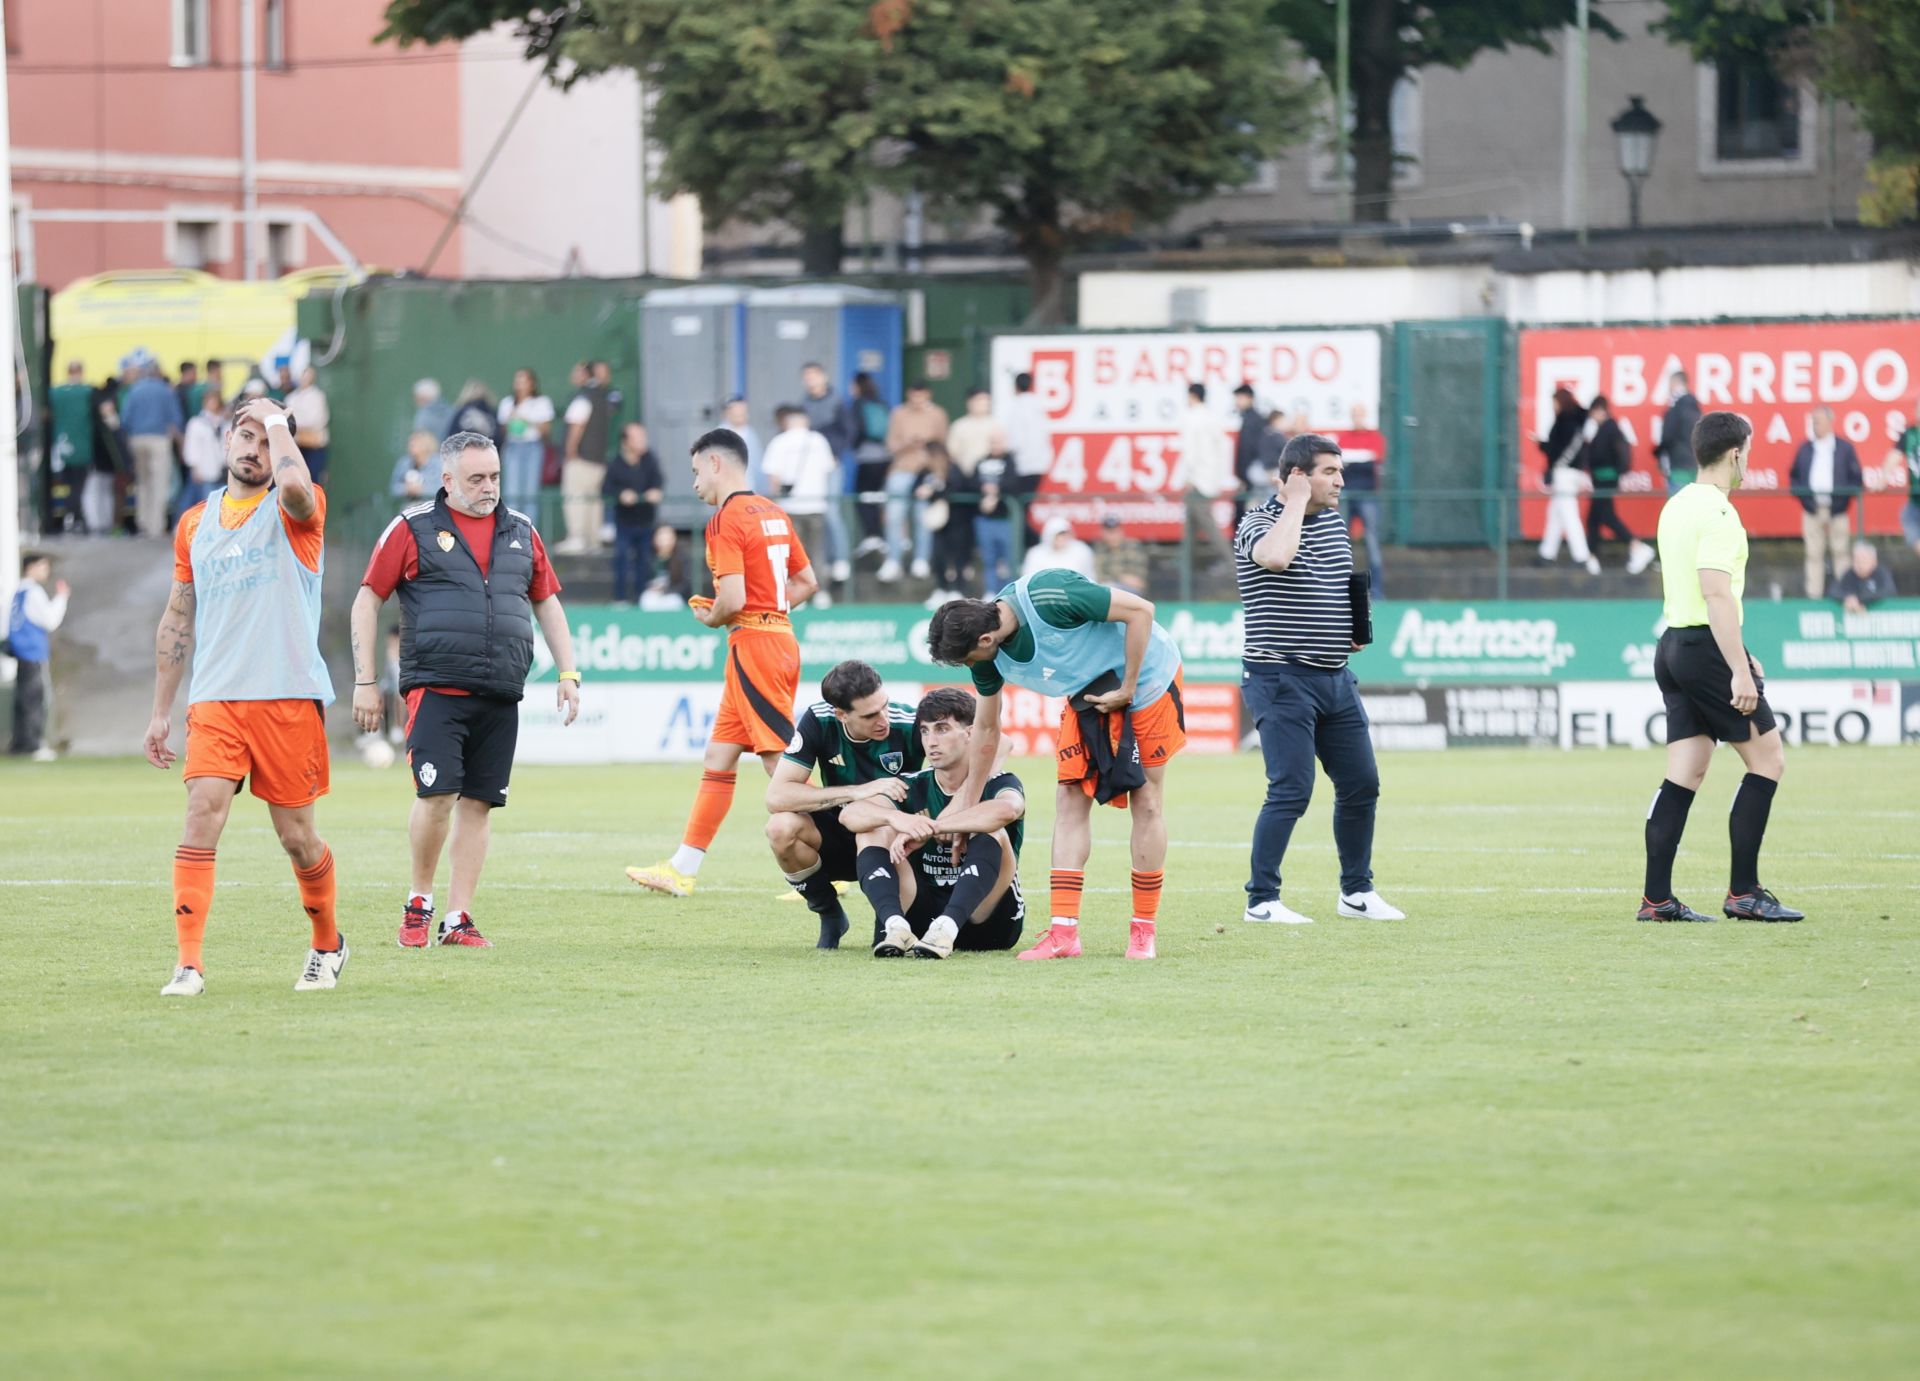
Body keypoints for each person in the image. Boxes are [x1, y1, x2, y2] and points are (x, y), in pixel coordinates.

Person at [142, 398, 343, 997]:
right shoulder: (193, 524)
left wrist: (280, 423)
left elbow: (296, 488)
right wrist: (160, 712)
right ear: (227, 441)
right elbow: (178, 618)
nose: (254, 449)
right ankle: (188, 965)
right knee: (201, 814)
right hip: (216, 699)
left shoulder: (298, 506)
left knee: (297, 838)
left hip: (287, 695)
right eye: (246, 436)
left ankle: (327, 943)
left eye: (267, 440)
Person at [351, 432, 582, 949]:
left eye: (495, 476)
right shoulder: (411, 527)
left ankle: (458, 918)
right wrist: (365, 681)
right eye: (476, 479)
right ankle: (419, 901)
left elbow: (546, 601)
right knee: (437, 797)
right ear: (448, 480)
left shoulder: (521, 530)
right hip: (437, 688)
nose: (489, 488)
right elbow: (367, 599)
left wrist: (568, 672)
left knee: (478, 804)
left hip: (500, 690)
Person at [926, 568, 1186, 961]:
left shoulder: (1050, 595)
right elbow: (987, 730)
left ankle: (1143, 932)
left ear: (985, 639)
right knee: (1069, 799)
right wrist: (966, 813)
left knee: (1146, 800)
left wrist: (1128, 688)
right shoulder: (987, 655)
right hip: (1088, 693)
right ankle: (1064, 935)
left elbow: (1141, 611)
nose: (969, 666)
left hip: (1147, 681)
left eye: (966, 660)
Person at [626, 429, 821, 901]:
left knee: (780, 759)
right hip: (772, 640)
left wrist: (712, 616)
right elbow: (807, 582)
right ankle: (682, 868)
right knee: (720, 755)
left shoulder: (724, 520)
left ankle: (835, 862)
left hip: (755, 646)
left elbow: (731, 599)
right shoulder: (774, 512)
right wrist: (769, 611)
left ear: (716, 464)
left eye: (696, 472)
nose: (694, 483)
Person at [1639, 411, 1802, 925]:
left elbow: (1696, 595)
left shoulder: (1676, 505)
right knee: (1768, 761)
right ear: (1735, 454)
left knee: (1685, 772)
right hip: (1705, 650)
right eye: (1748, 452)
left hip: (1674, 645)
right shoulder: (1720, 514)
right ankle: (1744, 893)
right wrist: (1738, 669)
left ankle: (1657, 900)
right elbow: (1714, 592)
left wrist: (1740, 653)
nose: (1748, 460)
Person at [1234, 433, 1403, 927]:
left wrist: (1350, 628)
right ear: (1298, 477)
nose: (1340, 481)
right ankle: (1261, 900)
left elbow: (1336, 583)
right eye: (1329, 472)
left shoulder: (1332, 523)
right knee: (1291, 788)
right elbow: (1276, 558)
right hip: (1279, 676)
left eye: (1340, 471)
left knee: (1362, 784)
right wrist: (1295, 502)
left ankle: (1357, 892)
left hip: (1334, 677)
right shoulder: (1257, 522)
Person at [840, 687, 1027, 959]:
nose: (931, 741)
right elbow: (850, 814)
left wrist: (934, 827)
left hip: (985, 921)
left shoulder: (999, 781)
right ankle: (895, 926)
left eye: (942, 729)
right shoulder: (913, 784)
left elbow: (1007, 810)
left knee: (991, 829)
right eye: (925, 731)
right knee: (872, 829)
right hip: (923, 912)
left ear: (971, 734)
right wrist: (898, 819)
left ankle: (947, 927)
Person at [761, 660, 925, 948]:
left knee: (875, 825)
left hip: (898, 843)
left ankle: (889, 923)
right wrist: (857, 792)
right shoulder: (820, 720)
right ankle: (830, 914)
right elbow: (776, 797)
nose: (883, 719)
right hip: (840, 835)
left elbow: (984, 748)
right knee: (780, 828)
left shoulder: (910, 723)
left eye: (884, 706)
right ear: (841, 715)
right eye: (870, 715)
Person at [763, 404, 848, 593]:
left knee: (792, 554)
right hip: (816, 504)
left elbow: (773, 477)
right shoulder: (818, 440)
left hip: (790, 506)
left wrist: (774, 505)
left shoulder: (779, 442)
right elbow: (830, 469)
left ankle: (796, 594)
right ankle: (821, 592)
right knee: (817, 552)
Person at [1788, 407, 1864, 599]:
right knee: (1813, 553)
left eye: (1819, 421)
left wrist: (1843, 500)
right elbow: (1794, 477)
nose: (1815, 426)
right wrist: (1805, 499)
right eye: (1813, 422)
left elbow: (1856, 478)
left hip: (1837, 509)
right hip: (1812, 509)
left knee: (1841, 552)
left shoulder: (1844, 448)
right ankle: (1814, 596)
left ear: (1831, 422)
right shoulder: (1805, 448)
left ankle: (1845, 594)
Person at [1580, 396, 1657, 576]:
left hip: (1606, 479)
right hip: (1600, 479)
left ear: (1601, 410)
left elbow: (1618, 454)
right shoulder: (1601, 429)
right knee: (1594, 518)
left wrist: (1617, 473)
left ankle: (1636, 546)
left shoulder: (1611, 428)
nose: (1591, 416)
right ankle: (1592, 557)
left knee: (1606, 516)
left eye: (1593, 412)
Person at [882, 381, 950, 581]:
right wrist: (908, 443)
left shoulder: (938, 414)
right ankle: (893, 560)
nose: (918, 400)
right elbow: (891, 445)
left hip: (927, 471)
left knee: (923, 517)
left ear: (928, 394)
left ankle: (921, 559)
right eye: (914, 395)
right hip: (901, 469)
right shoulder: (898, 414)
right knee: (894, 516)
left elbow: (942, 445)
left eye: (921, 395)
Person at [8, 552, 69, 760]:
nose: (46, 571)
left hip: (20, 651)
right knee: (34, 698)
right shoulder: (33, 592)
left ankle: (20, 743)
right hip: (33, 651)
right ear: (30, 567)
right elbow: (50, 620)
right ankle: (33, 745)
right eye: (42, 566)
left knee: (23, 699)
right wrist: (62, 597)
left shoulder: (19, 591)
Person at [1536, 387, 1601, 575]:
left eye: (1554, 402)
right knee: (1555, 513)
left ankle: (1582, 557)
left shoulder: (1565, 421)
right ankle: (1547, 553)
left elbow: (1556, 449)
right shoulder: (1579, 420)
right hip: (1573, 472)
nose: (1553, 406)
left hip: (1564, 473)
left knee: (1568, 514)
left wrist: (1542, 444)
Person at [1176, 383, 1235, 575]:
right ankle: (1186, 567)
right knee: (1191, 526)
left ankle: (1232, 564)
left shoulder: (1193, 417)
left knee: (1207, 525)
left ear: (1192, 396)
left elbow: (1191, 451)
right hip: (1209, 479)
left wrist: (1188, 477)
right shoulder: (1211, 417)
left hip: (1198, 480)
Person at [122, 356, 184, 537]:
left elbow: (125, 419)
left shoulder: (134, 390)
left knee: (142, 482)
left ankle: (142, 521)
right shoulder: (165, 391)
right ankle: (156, 525)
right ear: (158, 372)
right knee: (159, 482)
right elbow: (176, 419)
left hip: (137, 439)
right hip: (159, 439)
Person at [603, 422, 664, 605]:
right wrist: (621, 494)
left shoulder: (650, 459)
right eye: (637, 438)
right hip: (625, 521)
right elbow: (607, 488)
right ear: (625, 442)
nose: (642, 441)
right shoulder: (616, 463)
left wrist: (655, 491)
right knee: (621, 556)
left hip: (646, 520)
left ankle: (641, 598)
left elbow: (658, 480)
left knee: (644, 558)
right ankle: (620, 598)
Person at [1333, 402, 1389, 594]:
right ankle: (1339, 589)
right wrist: (1361, 459)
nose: (1357, 418)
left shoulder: (1374, 437)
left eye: (1360, 414)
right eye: (1354, 414)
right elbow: (1340, 462)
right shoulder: (1344, 437)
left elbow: (1373, 461)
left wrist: (1354, 460)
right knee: (1340, 541)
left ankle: (1377, 591)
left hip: (1367, 494)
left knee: (1372, 541)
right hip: (1346, 494)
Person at [558, 362, 614, 554]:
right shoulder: (603, 396)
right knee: (594, 501)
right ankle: (593, 541)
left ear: (585, 374)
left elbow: (577, 425)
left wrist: (571, 450)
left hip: (581, 459)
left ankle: (577, 539)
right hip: (598, 460)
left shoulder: (583, 398)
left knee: (575, 498)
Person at [916, 441, 975, 604]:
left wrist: (935, 491)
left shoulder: (953, 469)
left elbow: (958, 488)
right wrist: (922, 490)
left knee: (958, 557)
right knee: (938, 556)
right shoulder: (926, 472)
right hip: (938, 523)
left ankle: (958, 589)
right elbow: (915, 486)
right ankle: (941, 588)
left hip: (958, 521)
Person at [497, 367, 555, 515]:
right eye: (518, 380)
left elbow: (546, 429)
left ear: (532, 383)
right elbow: (503, 429)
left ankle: (528, 527)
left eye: (524, 381)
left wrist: (526, 420)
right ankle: (511, 526)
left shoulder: (541, 402)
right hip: (513, 446)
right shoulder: (507, 403)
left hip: (533, 447)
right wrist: (511, 419)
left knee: (530, 493)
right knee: (512, 491)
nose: (520, 384)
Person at [848, 370, 892, 556]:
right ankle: (882, 536)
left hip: (867, 457)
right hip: (885, 457)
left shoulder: (858, 404)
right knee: (878, 497)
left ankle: (873, 535)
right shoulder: (881, 403)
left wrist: (854, 445)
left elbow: (856, 431)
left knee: (863, 497)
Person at [972, 446, 1014, 594]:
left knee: (1008, 559)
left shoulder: (1010, 461)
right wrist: (984, 491)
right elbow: (971, 483)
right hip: (985, 519)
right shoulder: (981, 461)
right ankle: (990, 590)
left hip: (1005, 518)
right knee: (988, 558)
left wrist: (998, 490)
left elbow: (1014, 483)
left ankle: (1009, 591)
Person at [179, 388, 228, 515]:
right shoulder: (197, 423)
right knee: (205, 504)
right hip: (204, 470)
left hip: (221, 470)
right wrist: (194, 467)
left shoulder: (224, 422)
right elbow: (192, 446)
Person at [1003, 370, 1050, 497]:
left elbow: (1015, 441)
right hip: (1039, 464)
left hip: (1022, 466)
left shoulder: (1017, 407)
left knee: (1018, 503)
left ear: (1016, 387)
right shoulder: (1039, 406)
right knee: (1026, 501)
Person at [284, 366, 331, 486]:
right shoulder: (291, 397)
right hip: (296, 445)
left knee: (314, 480)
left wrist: (297, 421)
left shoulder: (318, 396)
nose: (305, 379)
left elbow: (315, 421)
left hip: (315, 447)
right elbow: (288, 419)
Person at [1655, 370, 1701, 492]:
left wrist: (1658, 452)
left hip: (1678, 464)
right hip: (1694, 464)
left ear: (1675, 382)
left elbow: (1667, 436)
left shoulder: (1675, 409)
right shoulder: (1696, 409)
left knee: (1677, 500)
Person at [945, 386, 1005, 480]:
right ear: (969, 402)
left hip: (990, 477)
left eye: (986, 400)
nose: (984, 403)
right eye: (979, 400)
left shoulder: (995, 424)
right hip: (964, 477)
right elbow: (952, 453)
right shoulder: (959, 425)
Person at [1020, 515, 1095, 580]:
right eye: (1058, 535)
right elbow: (1028, 578)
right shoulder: (1036, 554)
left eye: (1064, 534)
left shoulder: (1081, 550)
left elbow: (1089, 577)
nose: (1062, 538)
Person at [1830, 540, 1895, 613]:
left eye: (1864, 560)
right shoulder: (1849, 573)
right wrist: (1848, 598)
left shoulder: (1881, 573)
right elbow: (1834, 591)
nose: (1860, 565)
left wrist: (1860, 600)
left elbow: (1889, 591)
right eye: (1856, 560)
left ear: (1874, 561)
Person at [1093, 514, 1149, 595]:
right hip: (1107, 590)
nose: (1112, 536)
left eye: (1115, 532)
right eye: (1109, 532)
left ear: (1121, 531)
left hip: (1131, 592)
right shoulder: (1099, 549)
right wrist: (1120, 578)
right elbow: (1098, 577)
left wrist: (1116, 578)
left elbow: (1138, 582)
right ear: (1103, 533)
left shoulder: (1133, 546)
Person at [640, 525, 691, 610]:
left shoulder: (681, 558)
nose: (665, 542)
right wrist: (652, 587)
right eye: (661, 538)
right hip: (653, 595)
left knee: (674, 601)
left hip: (673, 595)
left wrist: (666, 590)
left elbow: (685, 585)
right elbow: (642, 580)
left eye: (668, 538)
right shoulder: (649, 557)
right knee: (647, 599)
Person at [723, 396, 764, 494]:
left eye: (744, 412)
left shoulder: (751, 433)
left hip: (750, 488)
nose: (742, 415)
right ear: (727, 413)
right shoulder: (720, 435)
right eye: (737, 412)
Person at [389, 429, 445, 501]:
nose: (411, 445)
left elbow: (445, 489)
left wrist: (422, 490)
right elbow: (393, 488)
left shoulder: (439, 463)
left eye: (416, 442)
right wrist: (406, 489)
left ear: (426, 445)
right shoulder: (404, 463)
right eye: (410, 442)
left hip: (433, 504)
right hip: (409, 505)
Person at [1232, 383, 1264, 497]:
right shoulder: (1247, 417)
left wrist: (1244, 476)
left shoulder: (1253, 420)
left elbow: (1248, 449)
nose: (1237, 402)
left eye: (1240, 398)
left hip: (1251, 474)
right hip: (1248, 474)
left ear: (1250, 399)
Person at [1900, 403, 1920, 559]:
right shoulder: (1910, 434)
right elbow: (1894, 455)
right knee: (1907, 516)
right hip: (1915, 501)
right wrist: (1882, 477)